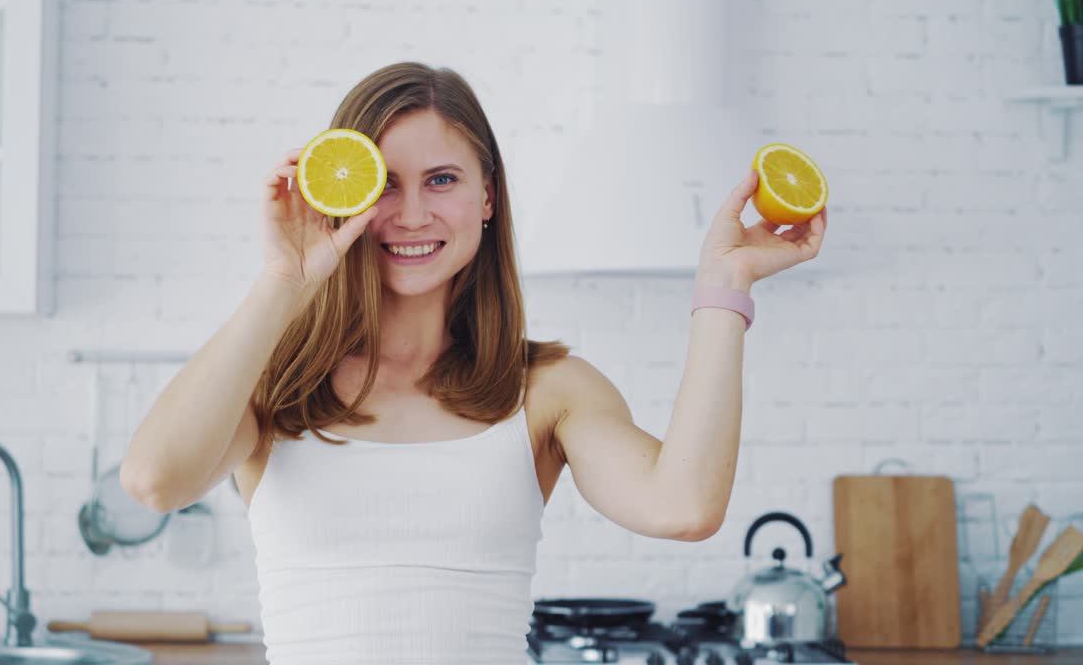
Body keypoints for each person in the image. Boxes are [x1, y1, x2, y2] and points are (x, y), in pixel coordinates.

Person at [120, 61, 828, 665]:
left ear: (486, 196)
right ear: (344, 197)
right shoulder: (274, 387)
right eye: (385, 184)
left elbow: (685, 507)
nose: (410, 213)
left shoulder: (550, 391)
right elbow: (154, 481)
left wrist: (724, 288)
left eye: (441, 180)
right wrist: (283, 282)